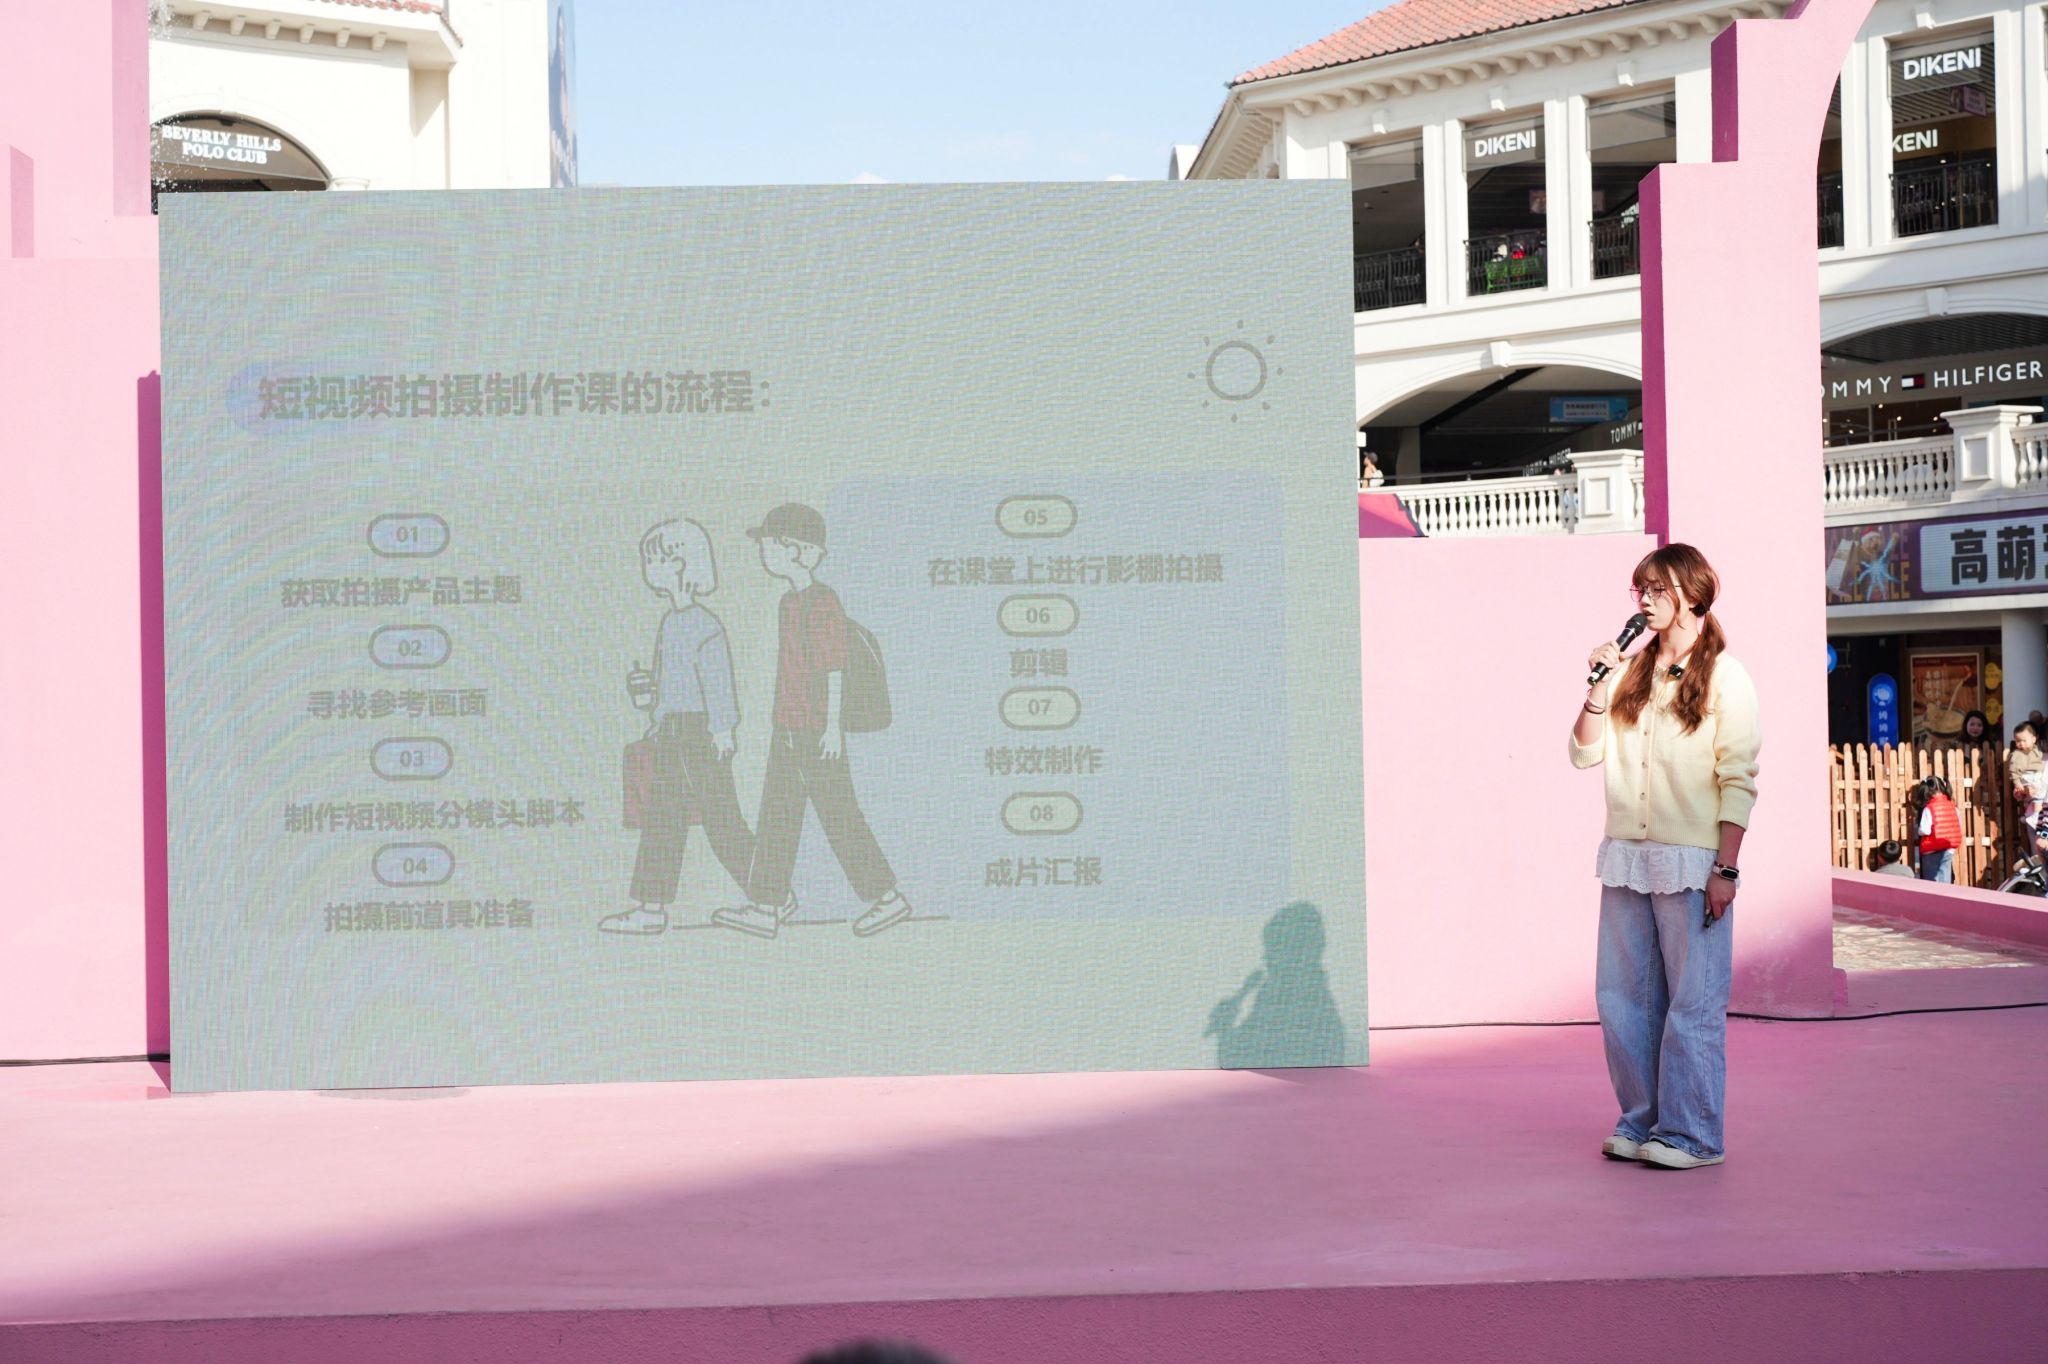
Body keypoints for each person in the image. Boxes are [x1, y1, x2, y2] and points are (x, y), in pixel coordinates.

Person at [1572, 544, 1760, 1171]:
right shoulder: (1630, 672)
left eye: (1657, 590)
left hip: (1691, 860)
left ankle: (1693, 1135)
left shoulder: (1727, 677)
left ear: (1692, 595)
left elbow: (1738, 778)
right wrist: (1600, 686)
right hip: (1628, 855)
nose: (1646, 601)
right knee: (1622, 999)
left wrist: (1725, 868)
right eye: (1641, 591)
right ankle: (1641, 1121)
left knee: (1692, 1003)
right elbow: (1583, 753)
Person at [715, 503, 914, 940]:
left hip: (816, 733)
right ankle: (767, 905)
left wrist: (832, 728)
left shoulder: (823, 602)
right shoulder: (788, 602)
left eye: (770, 545)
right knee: (777, 817)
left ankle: (887, 897)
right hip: (787, 729)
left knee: (839, 815)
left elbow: (835, 667)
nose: (764, 552)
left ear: (799, 551)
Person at [601, 519, 757, 935]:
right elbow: (668, 689)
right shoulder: (669, 623)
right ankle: (651, 908)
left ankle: (770, 893)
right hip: (671, 732)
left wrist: (723, 730)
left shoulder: (705, 624)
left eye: (654, 561)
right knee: (663, 820)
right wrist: (647, 702)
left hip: (699, 734)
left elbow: (718, 682)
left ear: (679, 564)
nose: (648, 569)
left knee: (722, 820)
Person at [1913, 774, 1961, 883]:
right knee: (1945, 878)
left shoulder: (1929, 808)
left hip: (1931, 849)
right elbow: (1959, 825)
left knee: (1932, 881)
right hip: (1948, 848)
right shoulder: (1953, 806)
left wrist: (1918, 831)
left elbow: (1925, 830)